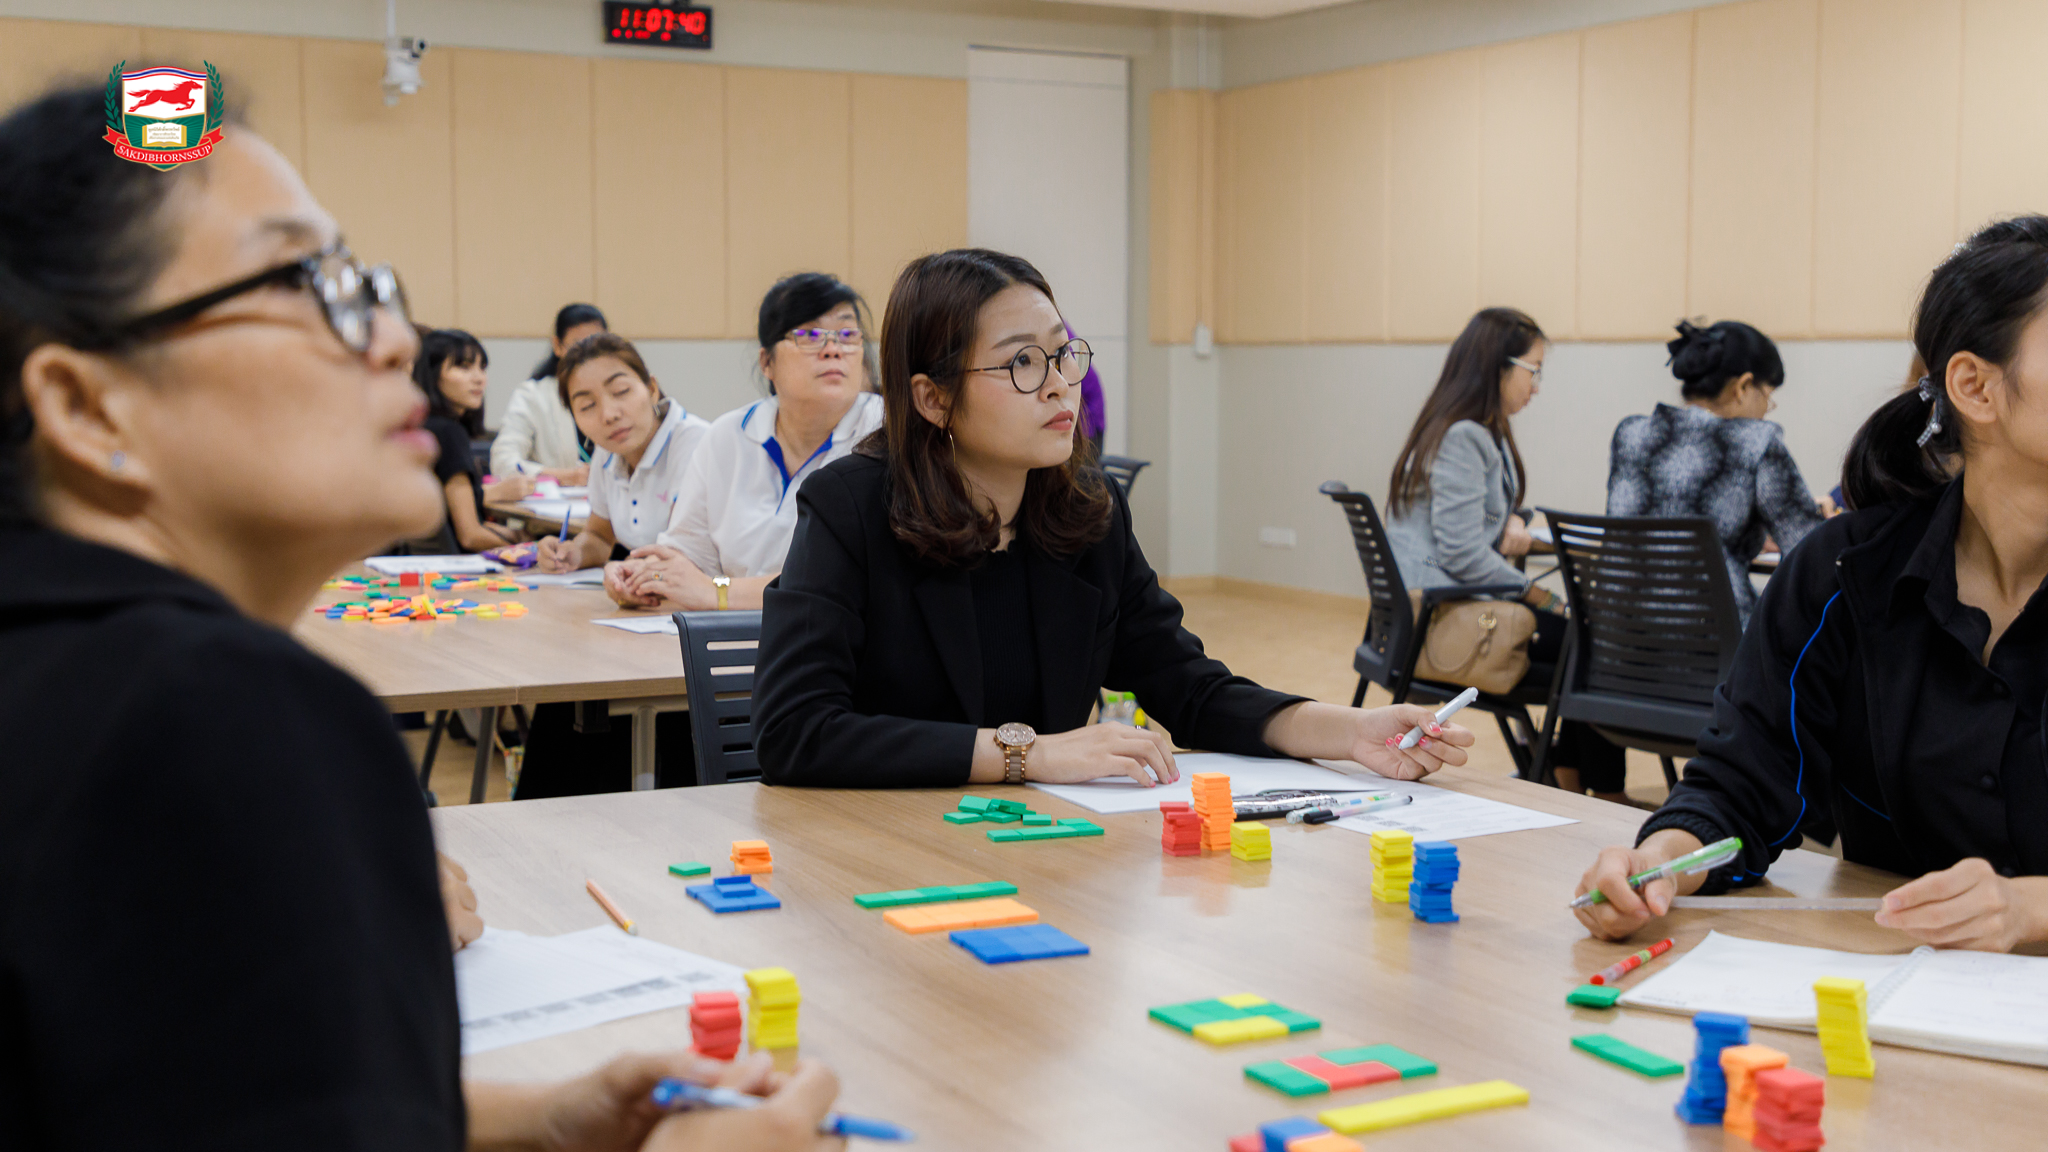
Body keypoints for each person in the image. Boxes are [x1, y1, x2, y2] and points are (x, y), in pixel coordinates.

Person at [0, 84, 842, 1150]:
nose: (396, 338)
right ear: (87, 407)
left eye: (366, 286)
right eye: (304, 285)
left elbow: (198, 1098)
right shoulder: (220, 713)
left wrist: (541, 1117)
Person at [750, 248, 1477, 789]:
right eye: (1023, 364)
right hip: (884, 854)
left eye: (1063, 354)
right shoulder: (851, 508)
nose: (1061, 384)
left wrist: (1349, 731)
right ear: (933, 399)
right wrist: (1026, 754)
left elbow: (1188, 687)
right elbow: (794, 731)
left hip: (1048, 851)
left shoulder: (1084, 510)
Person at [1574, 215, 2048, 954]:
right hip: (1891, 992)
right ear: (1974, 387)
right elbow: (1740, 786)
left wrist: (2029, 908)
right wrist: (1660, 861)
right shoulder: (1845, 574)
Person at [1382, 308, 1629, 802]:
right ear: (1499, 365)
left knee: (1586, 637)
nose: (1537, 386)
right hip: (1443, 618)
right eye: (1534, 370)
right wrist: (1540, 596)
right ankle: (1598, 786)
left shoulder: (1461, 427)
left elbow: (1468, 523)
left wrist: (1511, 521)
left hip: (1437, 607)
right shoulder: (1465, 435)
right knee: (1595, 642)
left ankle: (1568, 771)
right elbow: (1461, 554)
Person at [611, 273, 883, 612]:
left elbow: (845, 582)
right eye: (810, 335)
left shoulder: (887, 436)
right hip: (738, 632)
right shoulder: (728, 435)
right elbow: (688, 554)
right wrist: (640, 576)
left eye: (847, 334)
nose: (833, 350)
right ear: (767, 362)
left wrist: (718, 593)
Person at [1607, 319, 1824, 626]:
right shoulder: (1756, 443)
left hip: (1620, 639)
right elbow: (1812, 555)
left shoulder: (1630, 434)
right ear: (1743, 387)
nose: (1767, 409)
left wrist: (1749, 532)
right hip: (1715, 643)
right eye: (1767, 395)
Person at [536, 333, 711, 572]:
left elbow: (684, 551)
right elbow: (599, 537)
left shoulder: (694, 443)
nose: (609, 415)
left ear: (652, 389)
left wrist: (630, 572)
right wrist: (573, 553)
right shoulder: (607, 452)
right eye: (587, 406)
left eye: (621, 391)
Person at [416, 327, 533, 552]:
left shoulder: (422, 426)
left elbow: (450, 521)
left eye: (482, 367)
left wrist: (514, 538)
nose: (479, 378)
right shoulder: (449, 433)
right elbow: (470, 536)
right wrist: (531, 549)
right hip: (452, 566)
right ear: (433, 373)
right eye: (464, 367)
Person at [490, 302, 606, 484]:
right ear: (557, 345)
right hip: (557, 500)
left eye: (598, 346)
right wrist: (567, 476)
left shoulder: (614, 395)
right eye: (578, 346)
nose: (588, 356)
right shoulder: (532, 395)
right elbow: (502, 462)